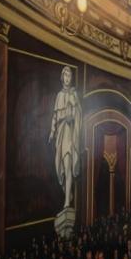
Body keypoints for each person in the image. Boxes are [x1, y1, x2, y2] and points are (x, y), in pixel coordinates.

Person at [49, 66, 82, 211]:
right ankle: (67, 193)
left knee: (68, 166)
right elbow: (55, 116)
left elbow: (78, 113)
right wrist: (52, 131)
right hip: (60, 134)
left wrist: (73, 115)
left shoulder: (74, 94)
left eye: (69, 76)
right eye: (66, 75)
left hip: (69, 133)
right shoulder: (59, 96)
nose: (68, 78)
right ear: (62, 77)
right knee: (59, 166)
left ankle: (67, 202)